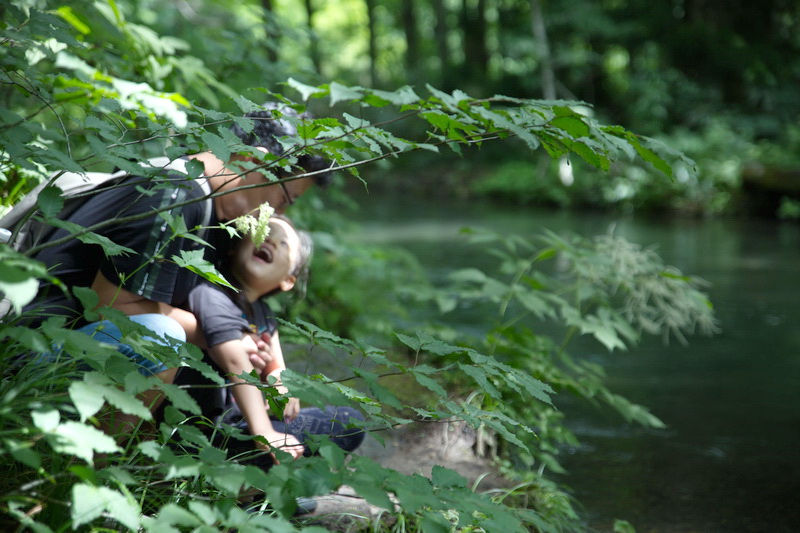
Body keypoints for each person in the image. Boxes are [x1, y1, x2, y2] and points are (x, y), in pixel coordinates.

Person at [23, 105, 332, 430]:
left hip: (86, 349)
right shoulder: (174, 194)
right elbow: (109, 309)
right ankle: (97, 471)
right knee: (161, 335)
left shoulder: (218, 217)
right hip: (36, 354)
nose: (276, 213)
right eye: (284, 199)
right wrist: (225, 337)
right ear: (252, 160)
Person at [182, 215, 363, 465]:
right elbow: (235, 362)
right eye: (263, 233)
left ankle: (263, 486)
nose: (270, 241)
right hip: (213, 430)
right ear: (235, 245)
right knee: (266, 441)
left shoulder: (264, 314)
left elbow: (276, 369)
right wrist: (263, 433)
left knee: (348, 419)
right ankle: (248, 490)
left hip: (250, 422)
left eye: (284, 244)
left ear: (288, 280)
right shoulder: (212, 293)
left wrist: (280, 387)